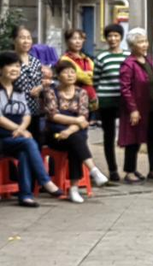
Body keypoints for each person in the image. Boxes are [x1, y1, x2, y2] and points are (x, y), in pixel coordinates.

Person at [0, 51, 62, 207]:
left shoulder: (18, 90)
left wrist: (21, 128)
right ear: (1, 68)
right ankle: (44, 181)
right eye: (10, 66)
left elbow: (27, 114)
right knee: (28, 142)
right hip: (3, 138)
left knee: (25, 151)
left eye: (17, 66)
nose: (14, 69)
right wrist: (20, 130)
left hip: (14, 138)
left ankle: (26, 196)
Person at [42, 59, 109, 201]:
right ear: (58, 75)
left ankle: (79, 185)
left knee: (75, 141)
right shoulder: (51, 92)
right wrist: (76, 121)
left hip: (71, 133)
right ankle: (83, 180)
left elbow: (83, 116)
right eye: (66, 72)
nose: (70, 75)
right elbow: (54, 116)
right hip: (56, 135)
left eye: (72, 72)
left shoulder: (81, 93)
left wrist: (69, 131)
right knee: (77, 141)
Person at [118, 28, 153, 183]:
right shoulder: (128, 64)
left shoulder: (148, 60)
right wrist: (133, 109)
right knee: (133, 140)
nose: (144, 44)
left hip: (152, 106)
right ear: (132, 45)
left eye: (145, 41)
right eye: (140, 42)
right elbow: (125, 89)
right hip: (136, 108)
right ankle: (129, 171)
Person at [94, 24, 127, 182]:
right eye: (109, 36)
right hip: (106, 101)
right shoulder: (101, 57)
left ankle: (130, 168)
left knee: (129, 135)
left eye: (116, 35)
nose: (113, 39)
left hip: (124, 101)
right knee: (109, 136)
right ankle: (112, 170)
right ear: (106, 38)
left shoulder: (128, 56)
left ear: (121, 37)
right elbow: (95, 81)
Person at [12, 26, 45, 148]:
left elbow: (41, 82)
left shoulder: (36, 62)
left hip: (34, 111)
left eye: (28, 38)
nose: (26, 41)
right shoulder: (9, 61)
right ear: (14, 40)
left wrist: (40, 88)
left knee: (36, 145)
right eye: (22, 38)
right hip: (15, 113)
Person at [59, 28, 96, 110]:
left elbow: (97, 75)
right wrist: (90, 75)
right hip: (73, 99)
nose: (78, 41)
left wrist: (89, 75)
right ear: (67, 41)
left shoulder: (87, 59)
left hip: (90, 99)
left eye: (80, 38)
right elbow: (83, 78)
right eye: (74, 38)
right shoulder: (65, 59)